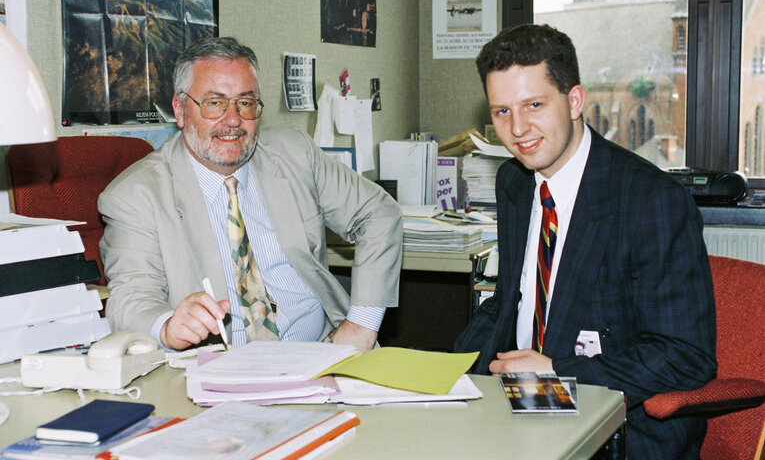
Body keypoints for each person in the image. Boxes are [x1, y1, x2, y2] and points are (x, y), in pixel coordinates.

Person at [454, 24, 716, 459]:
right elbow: (511, 301)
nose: (518, 129)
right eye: (502, 112)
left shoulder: (651, 200)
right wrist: (445, 372)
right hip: (514, 405)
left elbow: (685, 356)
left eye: (534, 105)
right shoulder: (515, 182)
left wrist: (557, 371)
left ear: (575, 101)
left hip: (616, 423)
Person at [100, 37, 402, 353]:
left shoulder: (293, 153)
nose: (233, 120)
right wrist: (165, 326)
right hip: (219, 373)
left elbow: (379, 213)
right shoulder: (135, 195)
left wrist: (362, 325)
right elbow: (130, 299)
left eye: (245, 102)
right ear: (180, 110)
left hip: (324, 352)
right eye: (214, 103)